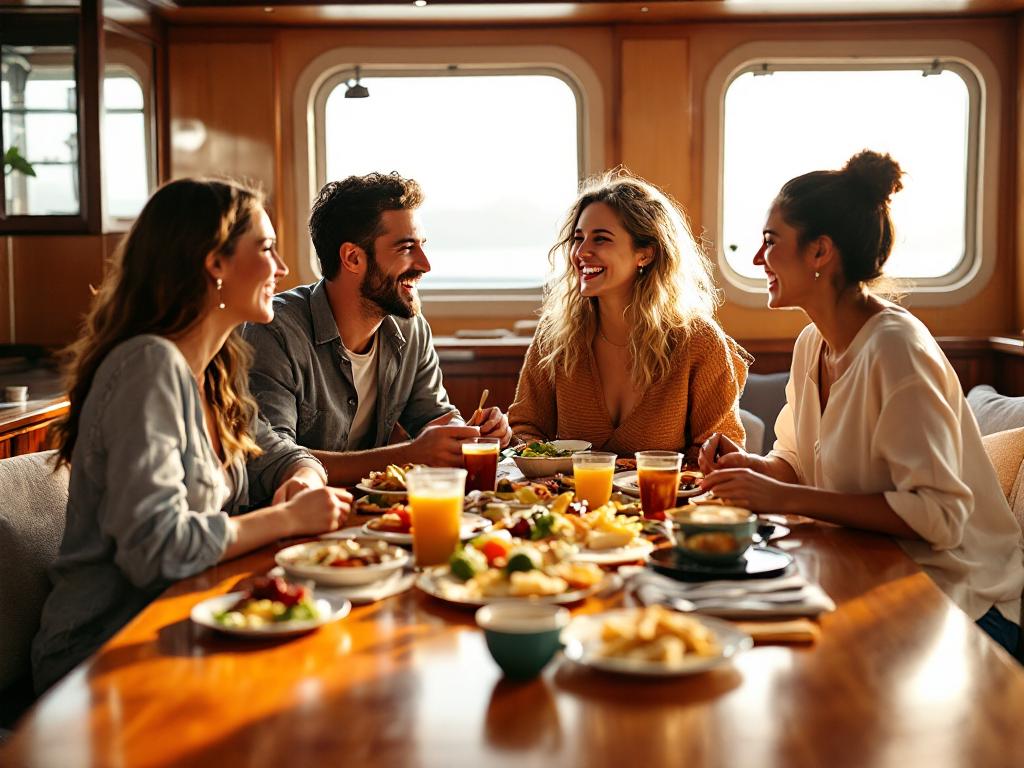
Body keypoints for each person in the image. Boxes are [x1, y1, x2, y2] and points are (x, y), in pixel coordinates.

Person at [32, 179, 352, 693]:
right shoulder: (148, 367)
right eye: (266, 249)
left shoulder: (213, 370)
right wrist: (284, 518)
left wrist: (302, 475)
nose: (282, 269)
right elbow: (155, 549)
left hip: (186, 618)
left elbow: (273, 452)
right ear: (215, 263)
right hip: (103, 652)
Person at [698, 150, 1024, 654]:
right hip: (877, 568)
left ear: (820, 252)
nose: (757, 260)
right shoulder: (813, 343)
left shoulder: (896, 350)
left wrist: (783, 499)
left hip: (965, 597)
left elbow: (939, 516)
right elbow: (796, 459)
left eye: (770, 241)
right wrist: (755, 469)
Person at [243, 172, 511, 486]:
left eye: (422, 246)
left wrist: (469, 432)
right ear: (353, 258)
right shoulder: (275, 332)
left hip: (375, 517)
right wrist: (409, 455)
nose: (425, 265)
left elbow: (432, 418)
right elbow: (270, 462)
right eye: (406, 248)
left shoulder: (410, 330)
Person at [507, 169, 749, 458]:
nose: (580, 253)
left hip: (668, 503)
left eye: (601, 239)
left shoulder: (699, 342)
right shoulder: (555, 334)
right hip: (570, 502)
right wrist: (512, 440)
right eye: (578, 238)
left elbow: (721, 452)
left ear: (645, 253)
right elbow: (526, 428)